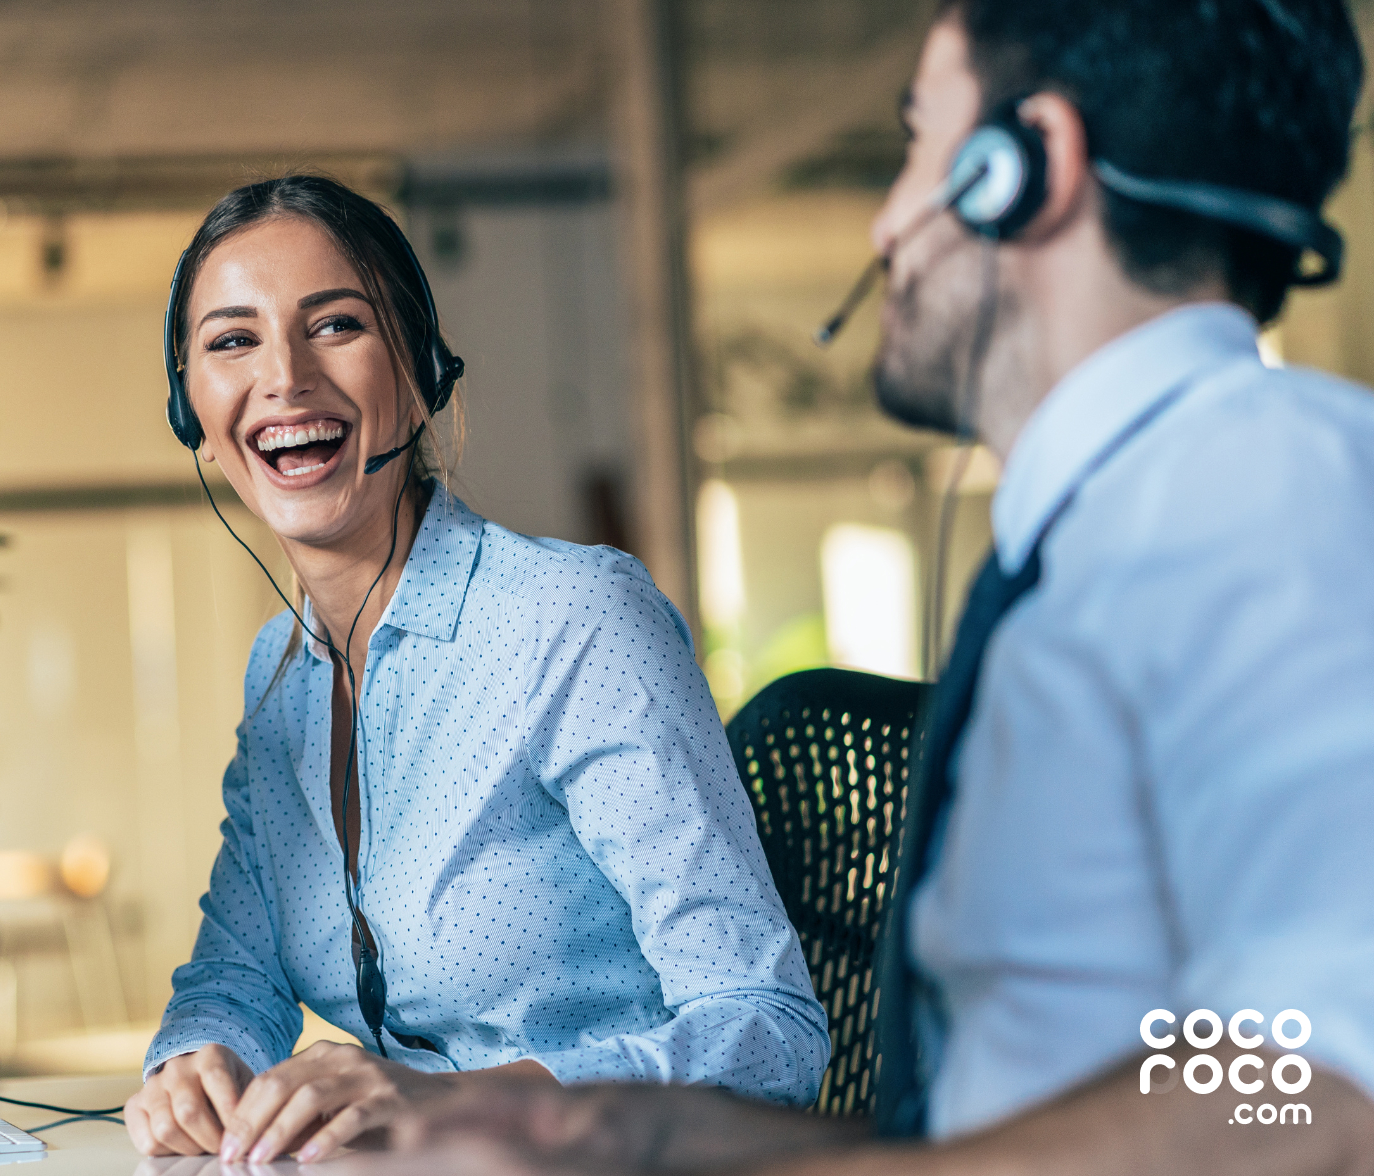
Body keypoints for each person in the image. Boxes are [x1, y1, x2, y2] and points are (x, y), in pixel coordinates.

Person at [347, 2, 1374, 1173]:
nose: (886, 221)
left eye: (914, 148)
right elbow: (1025, 1112)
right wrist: (619, 1128)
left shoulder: (1264, 489)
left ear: (1020, 167)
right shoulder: (1108, 534)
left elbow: (1323, 1089)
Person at [120, 175, 830, 1164]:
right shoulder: (280, 672)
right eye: (233, 341)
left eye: (335, 326)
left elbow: (766, 1035)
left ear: (421, 371)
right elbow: (236, 968)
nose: (284, 377)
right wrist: (194, 1059)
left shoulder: (573, 620)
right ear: (189, 408)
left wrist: (450, 1103)